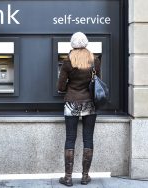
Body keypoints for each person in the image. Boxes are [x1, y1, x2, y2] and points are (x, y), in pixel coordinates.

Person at [58, 32, 101, 186]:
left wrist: (69, 85)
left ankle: (68, 178)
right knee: (88, 138)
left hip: (71, 102)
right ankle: (85, 176)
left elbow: (61, 86)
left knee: (70, 138)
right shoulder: (94, 60)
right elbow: (97, 82)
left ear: (72, 44)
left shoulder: (67, 61)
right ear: (86, 43)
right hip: (90, 102)